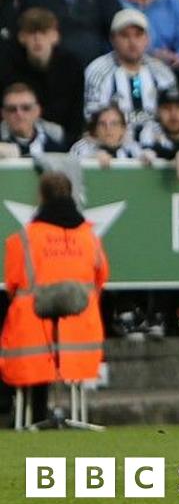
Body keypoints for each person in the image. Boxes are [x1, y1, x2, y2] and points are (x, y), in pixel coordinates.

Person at [1, 172, 108, 427]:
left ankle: (21, 413)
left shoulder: (24, 239)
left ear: (41, 197)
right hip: (81, 334)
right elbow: (101, 278)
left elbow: (12, 284)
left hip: (32, 336)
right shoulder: (89, 237)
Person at [0, 8, 86, 143]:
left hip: (60, 138)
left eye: (44, 32)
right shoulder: (7, 65)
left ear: (55, 36)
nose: (37, 38)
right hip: (13, 135)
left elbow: (76, 115)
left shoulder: (71, 66)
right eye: (31, 32)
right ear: (22, 37)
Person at [83, 9, 178, 125]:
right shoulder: (97, 71)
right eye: (125, 36)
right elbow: (92, 118)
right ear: (112, 39)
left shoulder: (162, 71)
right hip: (113, 139)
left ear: (147, 39)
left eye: (138, 35)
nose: (132, 42)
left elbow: (175, 113)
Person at [0, 83, 67, 158]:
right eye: (12, 109)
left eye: (26, 108)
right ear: (3, 114)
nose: (19, 114)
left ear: (37, 111)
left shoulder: (56, 139)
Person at [69, 104, 143, 164]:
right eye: (102, 124)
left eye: (114, 124)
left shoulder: (133, 148)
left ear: (123, 129)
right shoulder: (81, 148)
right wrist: (92, 160)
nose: (108, 128)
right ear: (95, 129)